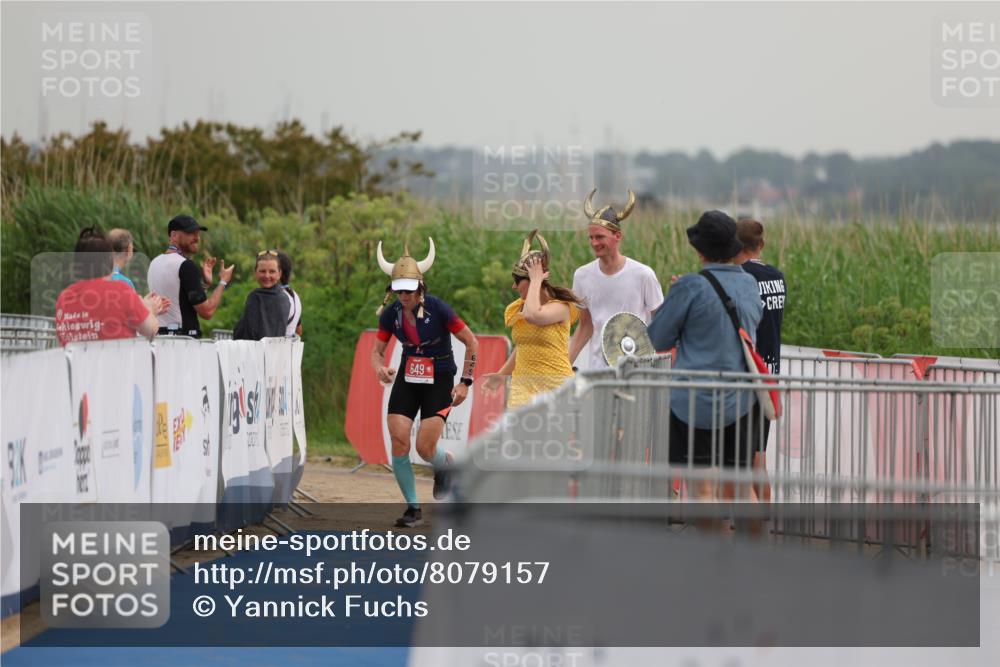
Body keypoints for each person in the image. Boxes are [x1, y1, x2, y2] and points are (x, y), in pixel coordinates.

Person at [647, 211, 763, 501]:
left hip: (693, 401)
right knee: (741, 485)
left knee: (702, 489)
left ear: (700, 250)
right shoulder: (750, 283)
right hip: (741, 400)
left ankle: (711, 547)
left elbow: (657, 338)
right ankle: (757, 546)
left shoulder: (690, 286)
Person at [371, 238, 478, 528]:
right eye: (398, 291)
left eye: (408, 291)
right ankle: (413, 508)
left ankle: (448, 464)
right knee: (399, 440)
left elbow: (471, 342)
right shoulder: (391, 314)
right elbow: (377, 351)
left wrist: (465, 382)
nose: (403, 297)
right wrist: (380, 368)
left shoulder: (439, 309)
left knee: (425, 448)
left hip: (440, 376)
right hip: (408, 375)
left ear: (420, 287)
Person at [483, 230, 582, 407]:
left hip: (556, 388)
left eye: (518, 280)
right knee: (519, 432)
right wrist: (501, 375)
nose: (513, 286)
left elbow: (533, 315)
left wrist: (536, 280)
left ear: (536, 279)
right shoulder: (520, 306)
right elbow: (523, 345)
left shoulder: (560, 308)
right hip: (523, 388)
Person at [568, 188, 664, 369]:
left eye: (600, 237)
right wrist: (564, 365)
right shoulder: (582, 275)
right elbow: (585, 326)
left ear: (617, 236)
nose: (594, 243)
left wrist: (658, 366)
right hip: (598, 373)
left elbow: (660, 323)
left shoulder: (643, 274)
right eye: (591, 238)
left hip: (636, 370)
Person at [734, 218, 786, 502]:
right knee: (758, 458)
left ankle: (748, 526)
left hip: (744, 375)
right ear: (761, 244)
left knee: (741, 463)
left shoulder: (738, 278)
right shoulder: (777, 277)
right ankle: (764, 521)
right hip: (769, 373)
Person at [55, 229, 167, 345]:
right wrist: (150, 309)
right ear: (109, 259)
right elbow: (150, 330)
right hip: (116, 362)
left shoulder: (64, 297)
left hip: (75, 363)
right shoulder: (121, 290)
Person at [147, 214, 234, 337]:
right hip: (183, 340)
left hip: (159, 337)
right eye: (191, 233)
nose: (197, 238)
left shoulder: (155, 262)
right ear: (174, 236)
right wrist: (223, 282)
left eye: (198, 233)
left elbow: (179, 297)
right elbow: (207, 311)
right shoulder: (186, 266)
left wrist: (204, 283)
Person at [233, 250, 291, 341]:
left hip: (257, 352)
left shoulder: (255, 297)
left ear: (279, 274)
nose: (267, 276)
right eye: (262, 271)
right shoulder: (286, 298)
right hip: (276, 352)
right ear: (255, 272)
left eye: (272, 271)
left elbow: (250, 334)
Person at [276, 250, 303, 337]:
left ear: (279, 273)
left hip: (274, 348)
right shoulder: (294, 295)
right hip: (288, 348)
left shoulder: (277, 297)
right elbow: (299, 331)